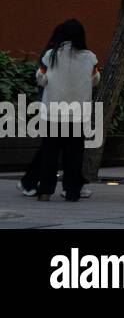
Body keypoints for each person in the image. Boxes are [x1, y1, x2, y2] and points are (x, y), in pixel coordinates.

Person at [34, 19, 98, 202]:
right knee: (74, 154)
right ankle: (72, 191)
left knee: (50, 153)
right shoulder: (90, 57)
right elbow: (95, 79)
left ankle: (45, 190)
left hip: (53, 113)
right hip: (78, 115)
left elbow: (41, 78)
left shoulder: (50, 56)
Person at [17, 27, 80, 197]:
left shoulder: (51, 54)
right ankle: (31, 181)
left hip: (52, 107)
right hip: (61, 108)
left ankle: (32, 181)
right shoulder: (58, 55)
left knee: (50, 147)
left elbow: (42, 78)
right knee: (54, 148)